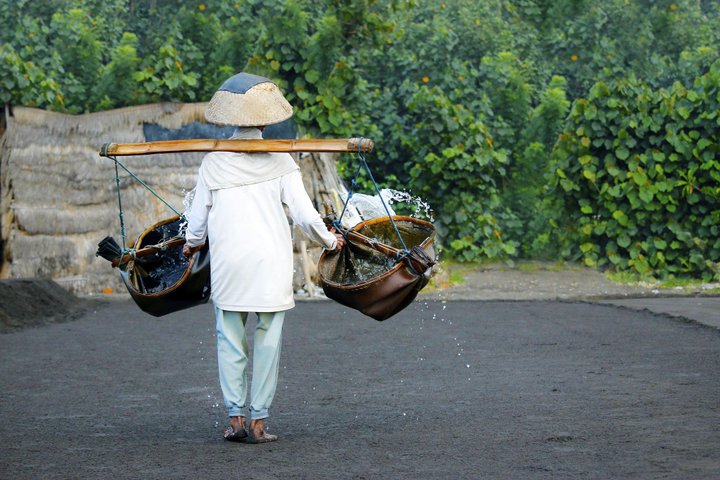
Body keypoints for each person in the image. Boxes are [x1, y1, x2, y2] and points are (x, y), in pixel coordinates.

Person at [183, 72, 345, 444]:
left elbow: (196, 226)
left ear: (232, 120)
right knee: (268, 342)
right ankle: (259, 423)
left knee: (229, 340)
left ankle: (237, 420)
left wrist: (192, 244)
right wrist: (329, 241)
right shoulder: (283, 162)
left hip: (230, 267)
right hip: (270, 266)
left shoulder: (213, 163)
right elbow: (306, 216)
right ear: (266, 119)